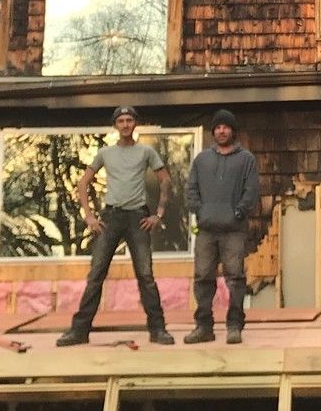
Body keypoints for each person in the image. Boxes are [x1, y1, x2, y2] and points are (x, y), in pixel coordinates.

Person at [57, 106, 174, 346]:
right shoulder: (105, 153)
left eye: (129, 120)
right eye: (120, 120)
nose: (125, 124)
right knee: (96, 273)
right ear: (115, 125)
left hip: (138, 218)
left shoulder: (146, 152)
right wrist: (89, 216)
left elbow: (165, 181)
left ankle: (158, 329)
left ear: (135, 124)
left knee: (146, 275)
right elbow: (83, 183)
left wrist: (158, 214)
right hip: (110, 218)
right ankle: (79, 331)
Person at [185, 108, 260, 344]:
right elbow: (191, 190)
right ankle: (203, 327)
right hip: (206, 230)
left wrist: (239, 211)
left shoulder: (246, 159)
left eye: (226, 127)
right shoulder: (202, 160)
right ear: (213, 131)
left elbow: (251, 191)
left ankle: (234, 326)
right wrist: (200, 210)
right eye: (217, 127)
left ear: (233, 130)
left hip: (233, 230)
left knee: (235, 278)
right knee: (203, 277)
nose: (221, 130)